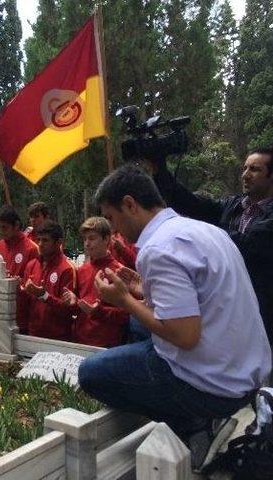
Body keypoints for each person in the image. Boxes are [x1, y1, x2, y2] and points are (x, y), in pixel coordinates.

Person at [78, 165, 271, 471]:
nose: (114, 231)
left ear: (130, 204)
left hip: (214, 387)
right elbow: (201, 298)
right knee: (136, 324)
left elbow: (184, 335)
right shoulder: (205, 230)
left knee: (90, 373)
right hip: (245, 373)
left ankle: (194, 424)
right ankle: (204, 416)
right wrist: (143, 290)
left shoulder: (158, 248)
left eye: (112, 219)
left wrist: (124, 300)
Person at [150, 147, 273, 344]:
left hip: (262, 313)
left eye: (255, 169)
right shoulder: (232, 206)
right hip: (227, 308)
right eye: (245, 168)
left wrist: (204, 230)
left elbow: (250, 245)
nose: (246, 175)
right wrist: (160, 170)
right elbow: (193, 205)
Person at [63, 217, 129, 347]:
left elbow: (127, 315)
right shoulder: (81, 270)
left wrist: (99, 312)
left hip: (107, 345)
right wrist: (73, 301)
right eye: (85, 239)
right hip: (80, 340)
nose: (87, 243)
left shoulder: (120, 272)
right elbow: (79, 308)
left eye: (92, 238)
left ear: (106, 239)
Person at [20, 220, 77, 340]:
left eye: (45, 240)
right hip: (33, 334)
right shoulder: (31, 265)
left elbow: (69, 311)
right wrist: (17, 289)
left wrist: (44, 296)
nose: (40, 244)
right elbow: (26, 301)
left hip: (58, 338)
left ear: (58, 242)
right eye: (38, 240)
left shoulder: (67, 269)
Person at [0, 206, 39, 334]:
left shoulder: (32, 249)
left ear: (16, 225)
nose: (1, 231)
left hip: (22, 316)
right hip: (0, 313)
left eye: (4, 227)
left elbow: (37, 283)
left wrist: (20, 284)